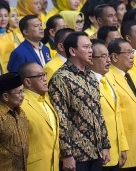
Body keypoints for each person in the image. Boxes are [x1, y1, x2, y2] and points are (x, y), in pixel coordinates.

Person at [49, 32, 111, 170]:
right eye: (86, 47)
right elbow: (61, 118)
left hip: (96, 151)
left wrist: (105, 145)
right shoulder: (61, 78)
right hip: (76, 154)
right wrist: (67, 154)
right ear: (72, 51)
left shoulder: (90, 75)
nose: (91, 50)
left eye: (91, 47)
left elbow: (98, 112)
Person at [107, 39, 136, 170]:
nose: (132, 56)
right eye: (128, 52)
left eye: (132, 52)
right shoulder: (107, 77)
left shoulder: (132, 75)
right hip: (123, 145)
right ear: (114, 56)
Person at [90, 40, 128, 170]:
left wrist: (123, 146)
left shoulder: (108, 79)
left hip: (116, 151)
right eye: (103, 56)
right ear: (91, 59)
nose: (108, 60)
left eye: (108, 56)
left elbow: (117, 115)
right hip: (100, 153)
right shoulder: (87, 83)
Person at [19, 62, 60, 170]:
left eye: (44, 74)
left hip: (54, 164)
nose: (45, 79)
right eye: (40, 76)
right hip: (35, 166)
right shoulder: (20, 105)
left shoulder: (47, 98)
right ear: (27, 82)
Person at [0, 72, 29, 170]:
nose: (23, 96)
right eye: (19, 92)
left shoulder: (21, 113)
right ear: (6, 96)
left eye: (23, 91)